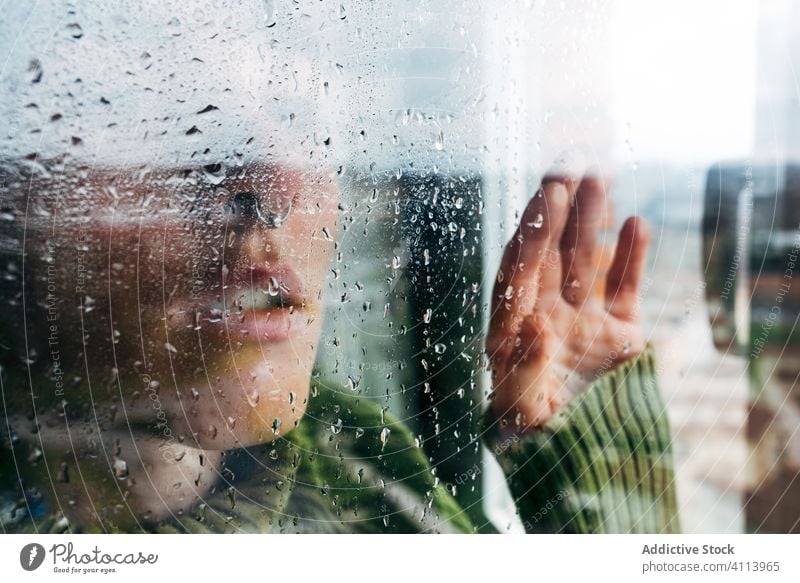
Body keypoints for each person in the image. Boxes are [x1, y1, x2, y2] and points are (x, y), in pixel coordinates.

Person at [0, 2, 678, 534]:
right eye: (156, 113)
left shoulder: (372, 473)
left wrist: (575, 448)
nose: (280, 179)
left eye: (297, 112)